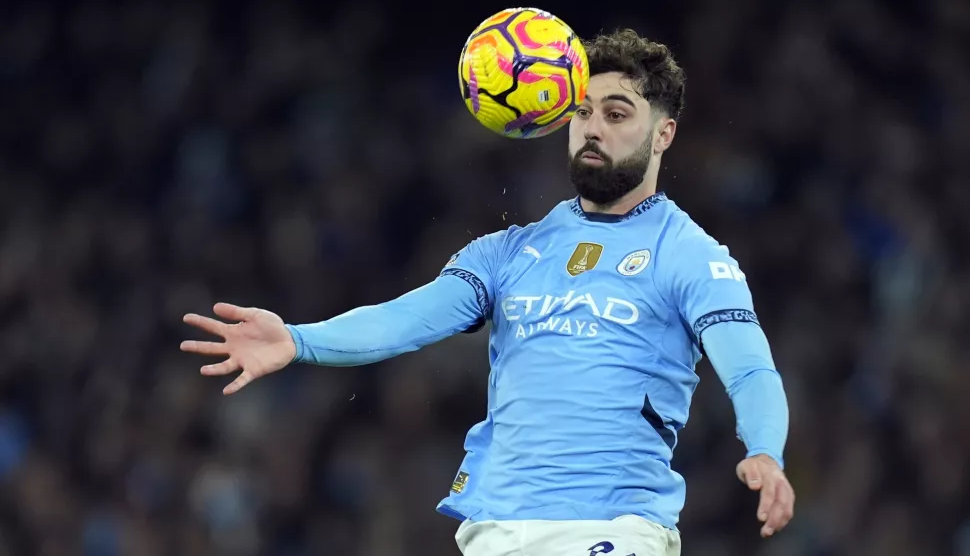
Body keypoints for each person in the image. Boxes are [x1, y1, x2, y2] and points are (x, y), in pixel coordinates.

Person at [181, 28, 794, 556]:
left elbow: (749, 371)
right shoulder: (508, 253)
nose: (592, 129)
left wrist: (766, 450)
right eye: (582, 112)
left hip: (611, 529)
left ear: (663, 135)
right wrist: (298, 339)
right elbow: (406, 319)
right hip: (495, 530)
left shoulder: (692, 256)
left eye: (616, 114)